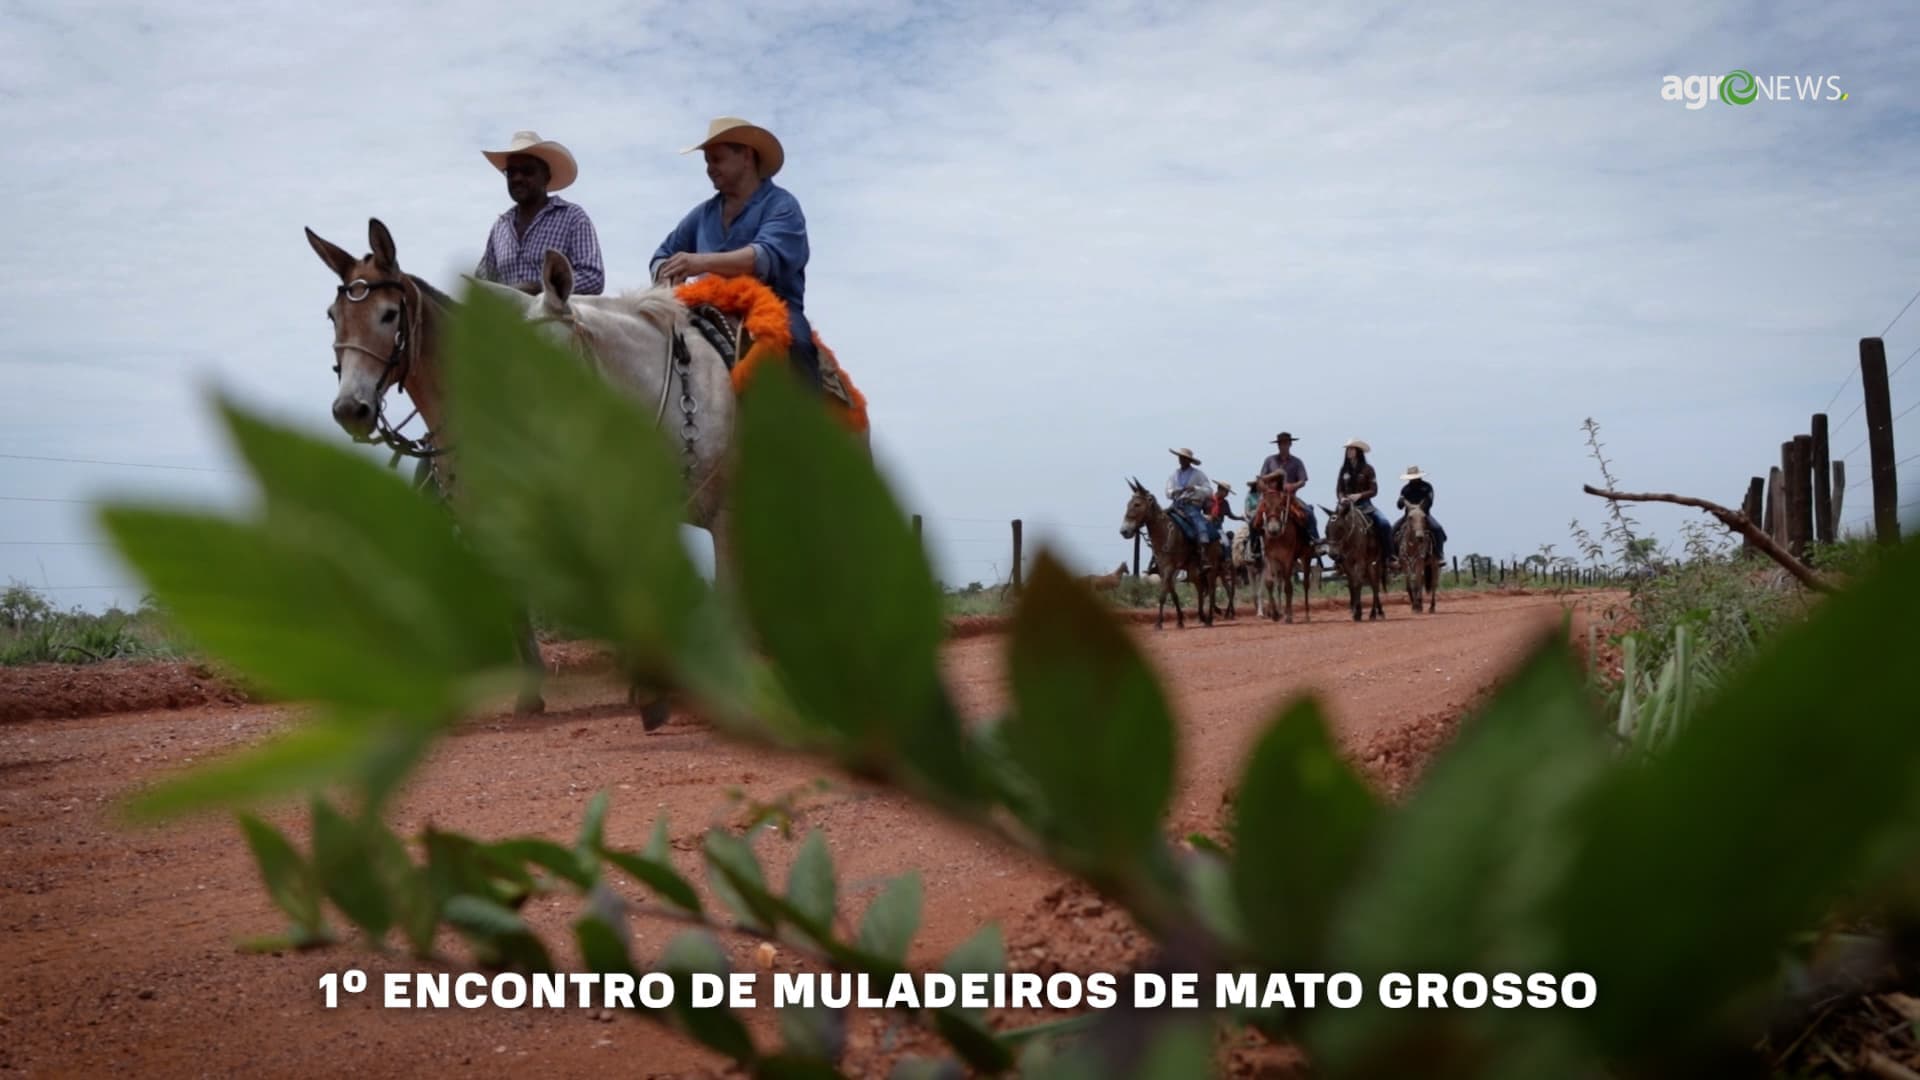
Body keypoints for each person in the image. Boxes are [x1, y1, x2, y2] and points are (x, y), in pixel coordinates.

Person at [650, 117, 820, 389]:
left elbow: (762, 258)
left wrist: (697, 262)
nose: (709, 169)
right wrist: (665, 273)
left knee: (797, 343)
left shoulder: (782, 205)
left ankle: (810, 425)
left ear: (747, 157)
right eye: (707, 161)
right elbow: (663, 253)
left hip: (775, 306)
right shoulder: (702, 214)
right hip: (709, 306)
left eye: (716, 159)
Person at [475, 131, 606, 295]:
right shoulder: (500, 227)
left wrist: (541, 288)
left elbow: (593, 278)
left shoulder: (572, 217)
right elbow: (482, 284)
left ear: (546, 177)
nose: (517, 178)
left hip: (553, 317)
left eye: (527, 171)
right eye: (511, 172)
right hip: (507, 319)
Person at [1257, 431, 1325, 560]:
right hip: (1272, 498)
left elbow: (1303, 480)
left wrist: (1293, 486)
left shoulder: (1297, 462)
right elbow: (1261, 479)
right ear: (1277, 445)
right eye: (1280, 444)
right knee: (1255, 518)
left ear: (1290, 444)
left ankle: (1314, 542)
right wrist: (1271, 480)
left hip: (1290, 497)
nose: (1283, 446)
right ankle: (1255, 547)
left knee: (1308, 513)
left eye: (1285, 443)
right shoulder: (1269, 460)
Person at [1335, 438, 1395, 557]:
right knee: (1333, 525)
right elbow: (1339, 489)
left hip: (1365, 505)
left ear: (1358, 451)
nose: (1349, 452)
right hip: (1346, 505)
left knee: (1384, 524)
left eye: (1352, 449)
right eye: (1348, 449)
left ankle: (1390, 556)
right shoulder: (1344, 470)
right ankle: (1337, 556)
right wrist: (1342, 498)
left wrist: (1359, 495)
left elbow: (1374, 490)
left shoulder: (1368, 469)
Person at [1393, 465, 1448, 560]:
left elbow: (1429, 501)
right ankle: (1395, 557)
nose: (1413, 479)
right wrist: (1401, 501)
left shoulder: (1427, 487)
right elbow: (1399, 506)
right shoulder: (1405, 489)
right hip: (1408, 515)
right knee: (1392, 531)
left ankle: (1439, 555)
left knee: (1437, 529)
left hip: (1424, 514)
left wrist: (1418, 508)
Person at [1165, 448, 1217, 544]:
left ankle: (1203, 541)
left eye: (1184, 458)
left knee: (1197, 520)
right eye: (1180, 457)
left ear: (1190, 460)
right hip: (1176, 504)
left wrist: (1195, 488)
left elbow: (1209, 490)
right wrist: (1176, 491)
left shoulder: (1198, 474)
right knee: (1162, 518)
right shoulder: (1174, 475)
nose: (1182, 459)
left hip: (1192, 505)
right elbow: (1168, 491)